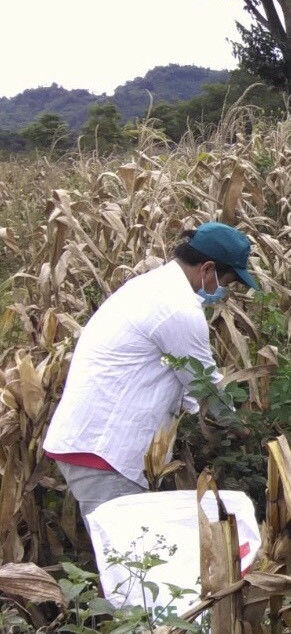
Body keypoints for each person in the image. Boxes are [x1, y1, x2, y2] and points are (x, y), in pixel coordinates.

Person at [43, 221, 259, 517]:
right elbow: (204, 385)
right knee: (128, 556)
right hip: (107, 450)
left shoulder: (150, 286)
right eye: (228, 282)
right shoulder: (177, 308)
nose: (224, 291)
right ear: (207, 269)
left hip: (91, 443)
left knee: (127, 552)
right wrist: (243, 431)